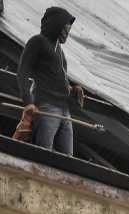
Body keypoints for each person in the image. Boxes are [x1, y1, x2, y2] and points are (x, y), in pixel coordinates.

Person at [17, 6, 84, 155]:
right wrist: (28, 102)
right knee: (43, 153)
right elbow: (22, 72)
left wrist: (73, 90)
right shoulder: (37, 41)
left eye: (68, 31)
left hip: (64, 110)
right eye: (64, 30)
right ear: (55, 26)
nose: (67, 34)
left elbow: (59, 79)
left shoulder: (59, 51)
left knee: (68, 158)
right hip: (46, 106)